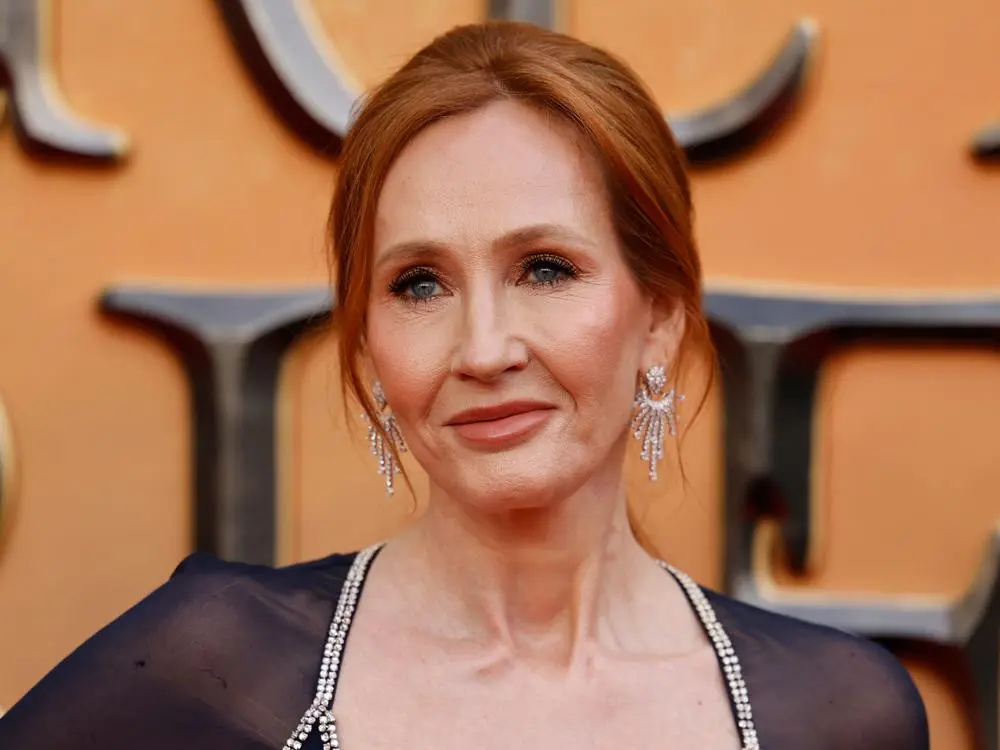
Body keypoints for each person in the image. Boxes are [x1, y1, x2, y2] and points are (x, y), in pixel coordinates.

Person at [0, 21, 928, 750]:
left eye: (546, 269)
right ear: (367, 344)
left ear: (660, 318)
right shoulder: (218, 662)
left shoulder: (833, 712)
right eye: (419, 285)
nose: (483, 349)